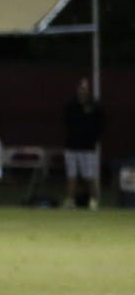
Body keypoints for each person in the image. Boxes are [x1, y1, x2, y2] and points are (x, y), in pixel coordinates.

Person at [62, 77, 105, 210]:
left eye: (85, 89)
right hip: (72, 147)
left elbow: (100, 126)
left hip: (88, 148)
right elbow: (66, 123)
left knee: (89, 176)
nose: (82, 92)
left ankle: (93, 201)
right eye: (81, 89)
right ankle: (70, 201)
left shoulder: (95, 107)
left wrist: (93, 140)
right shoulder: (71, 106)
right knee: (71, 176)